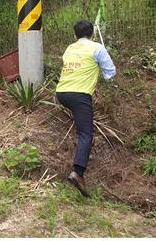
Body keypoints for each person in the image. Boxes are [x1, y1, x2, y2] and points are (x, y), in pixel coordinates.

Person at [55, 20, 116, 197]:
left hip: (62, 93)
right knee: (85, 134)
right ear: (93, 35)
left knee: (84, 129)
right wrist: (102, 72)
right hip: (80, 95)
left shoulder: (69, 49)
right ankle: (78, 173)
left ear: (75, 36)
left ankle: (84, 151)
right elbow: (110, 74)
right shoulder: (97, 48)